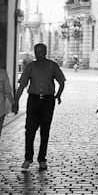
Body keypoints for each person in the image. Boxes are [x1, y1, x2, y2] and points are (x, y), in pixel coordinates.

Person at [12, 43, 66, 171]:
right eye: (37, 52)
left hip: (47, 100)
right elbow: (22, 85)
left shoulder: (52, 66)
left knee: (45, 130)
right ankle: (28, 157)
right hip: (34, 100)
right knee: (29, 130)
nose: (39, 54)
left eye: (41, 52)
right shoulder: (31, 67)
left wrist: (58, 95)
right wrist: (16, 102)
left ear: (45, 52)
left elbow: (61, 82)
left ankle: (42, 159)